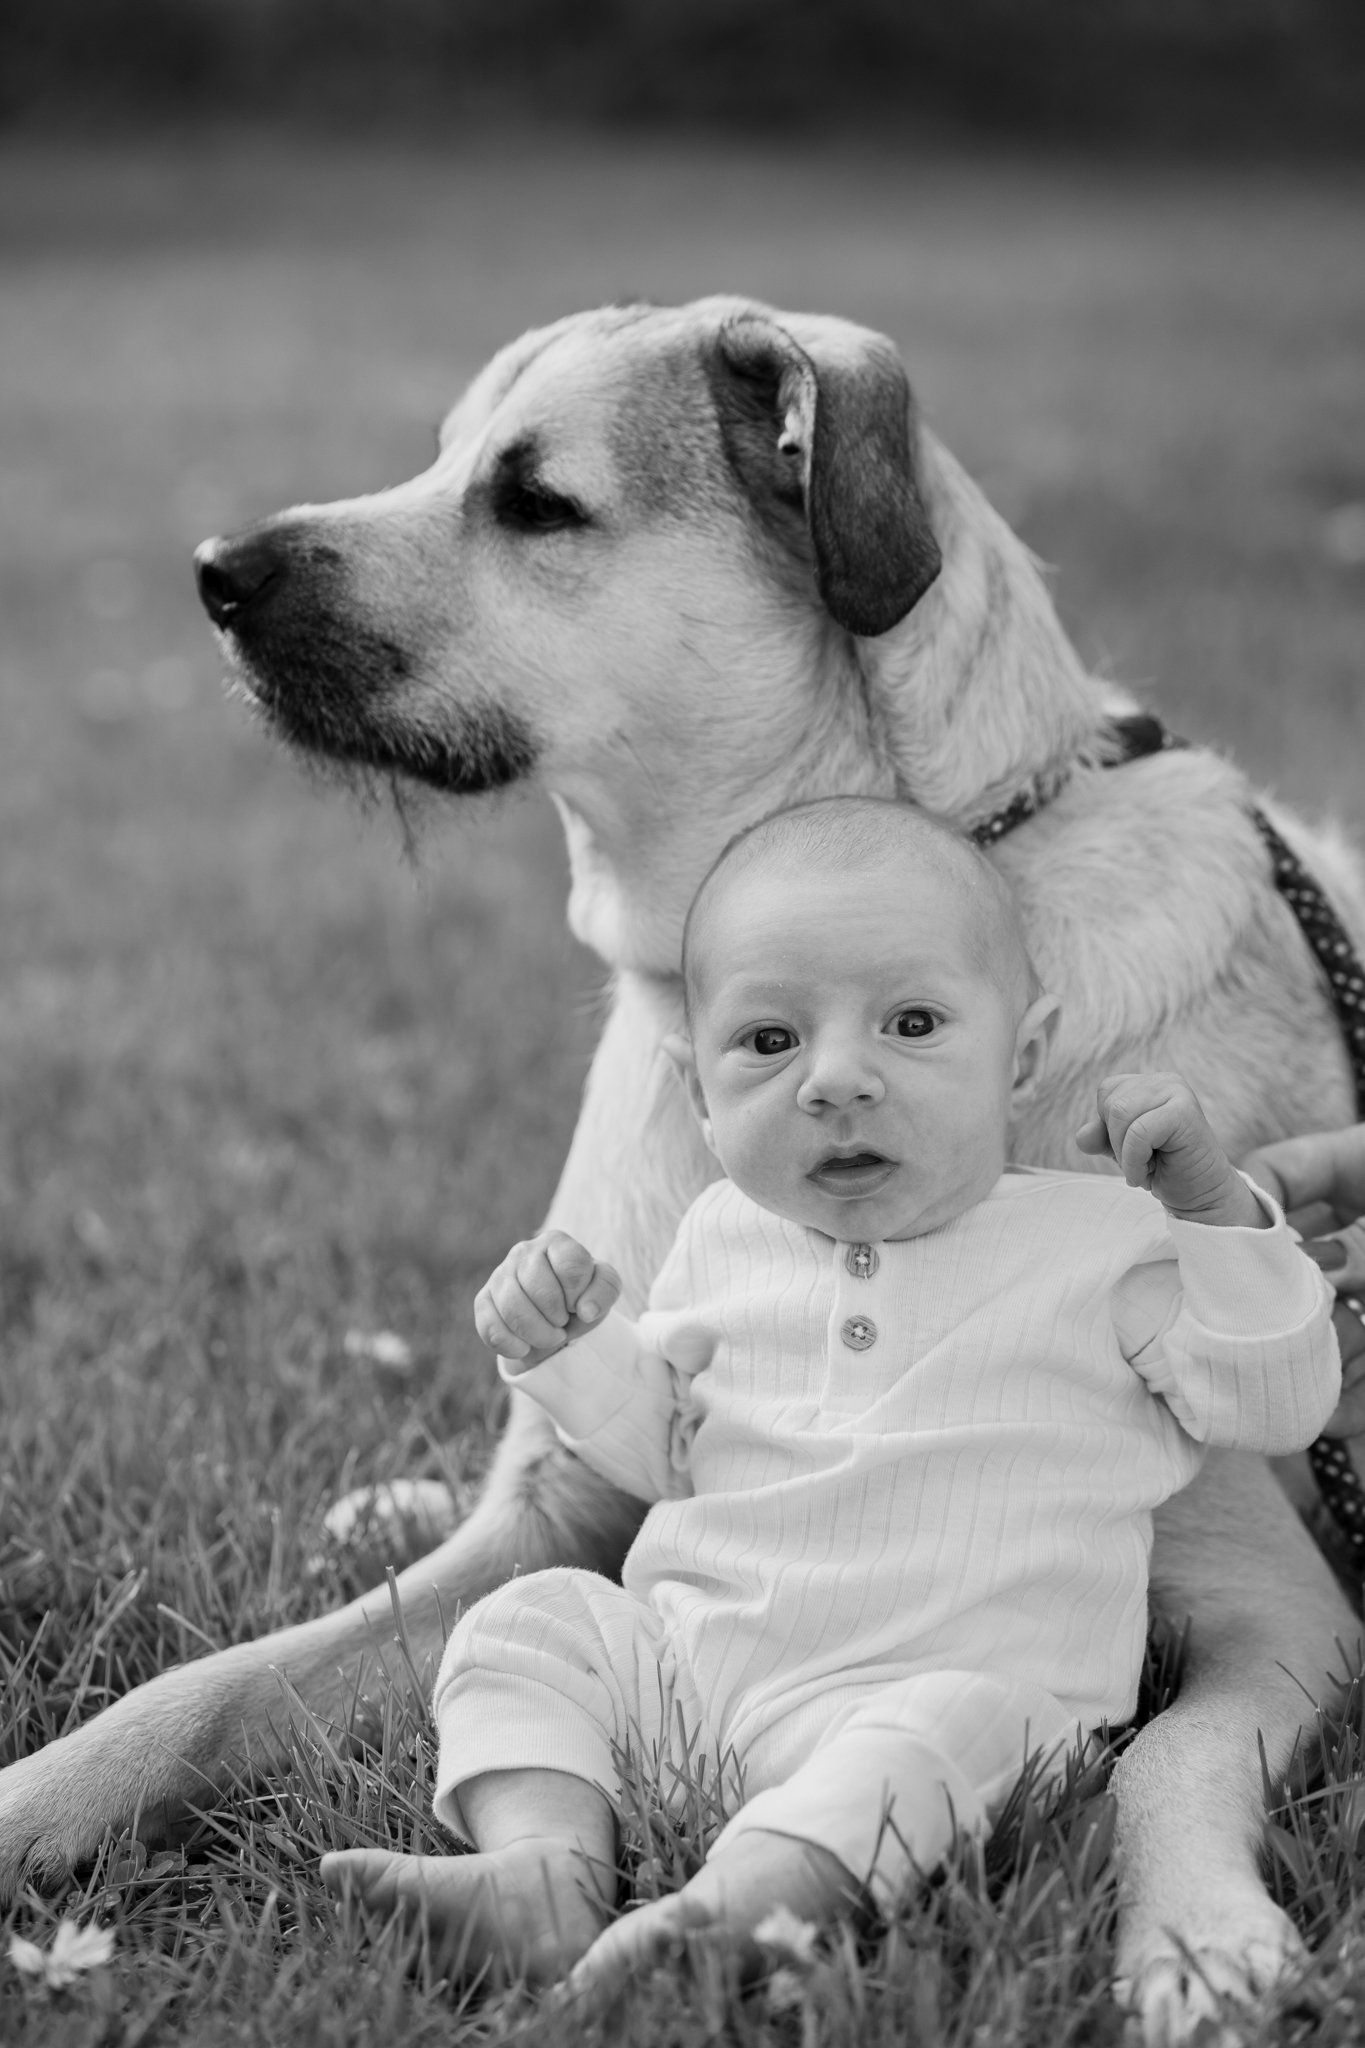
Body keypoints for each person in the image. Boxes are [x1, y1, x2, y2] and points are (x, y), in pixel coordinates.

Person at [321, 796, 1340, 1994]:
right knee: (532, 1619)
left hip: (934, 1704)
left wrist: (1216, 1214)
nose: (839, 1079)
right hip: (696, 1682)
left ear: (1022, 1057)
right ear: (696, 1094)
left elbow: (1277, 1398)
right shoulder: (720, 1238)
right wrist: (571, 1353)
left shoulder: (1103, 1243)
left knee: (964, 1724)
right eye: (769, 1040)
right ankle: (544, 1863)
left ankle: (740, 1905)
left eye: (912, 1023)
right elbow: (664, 1454)